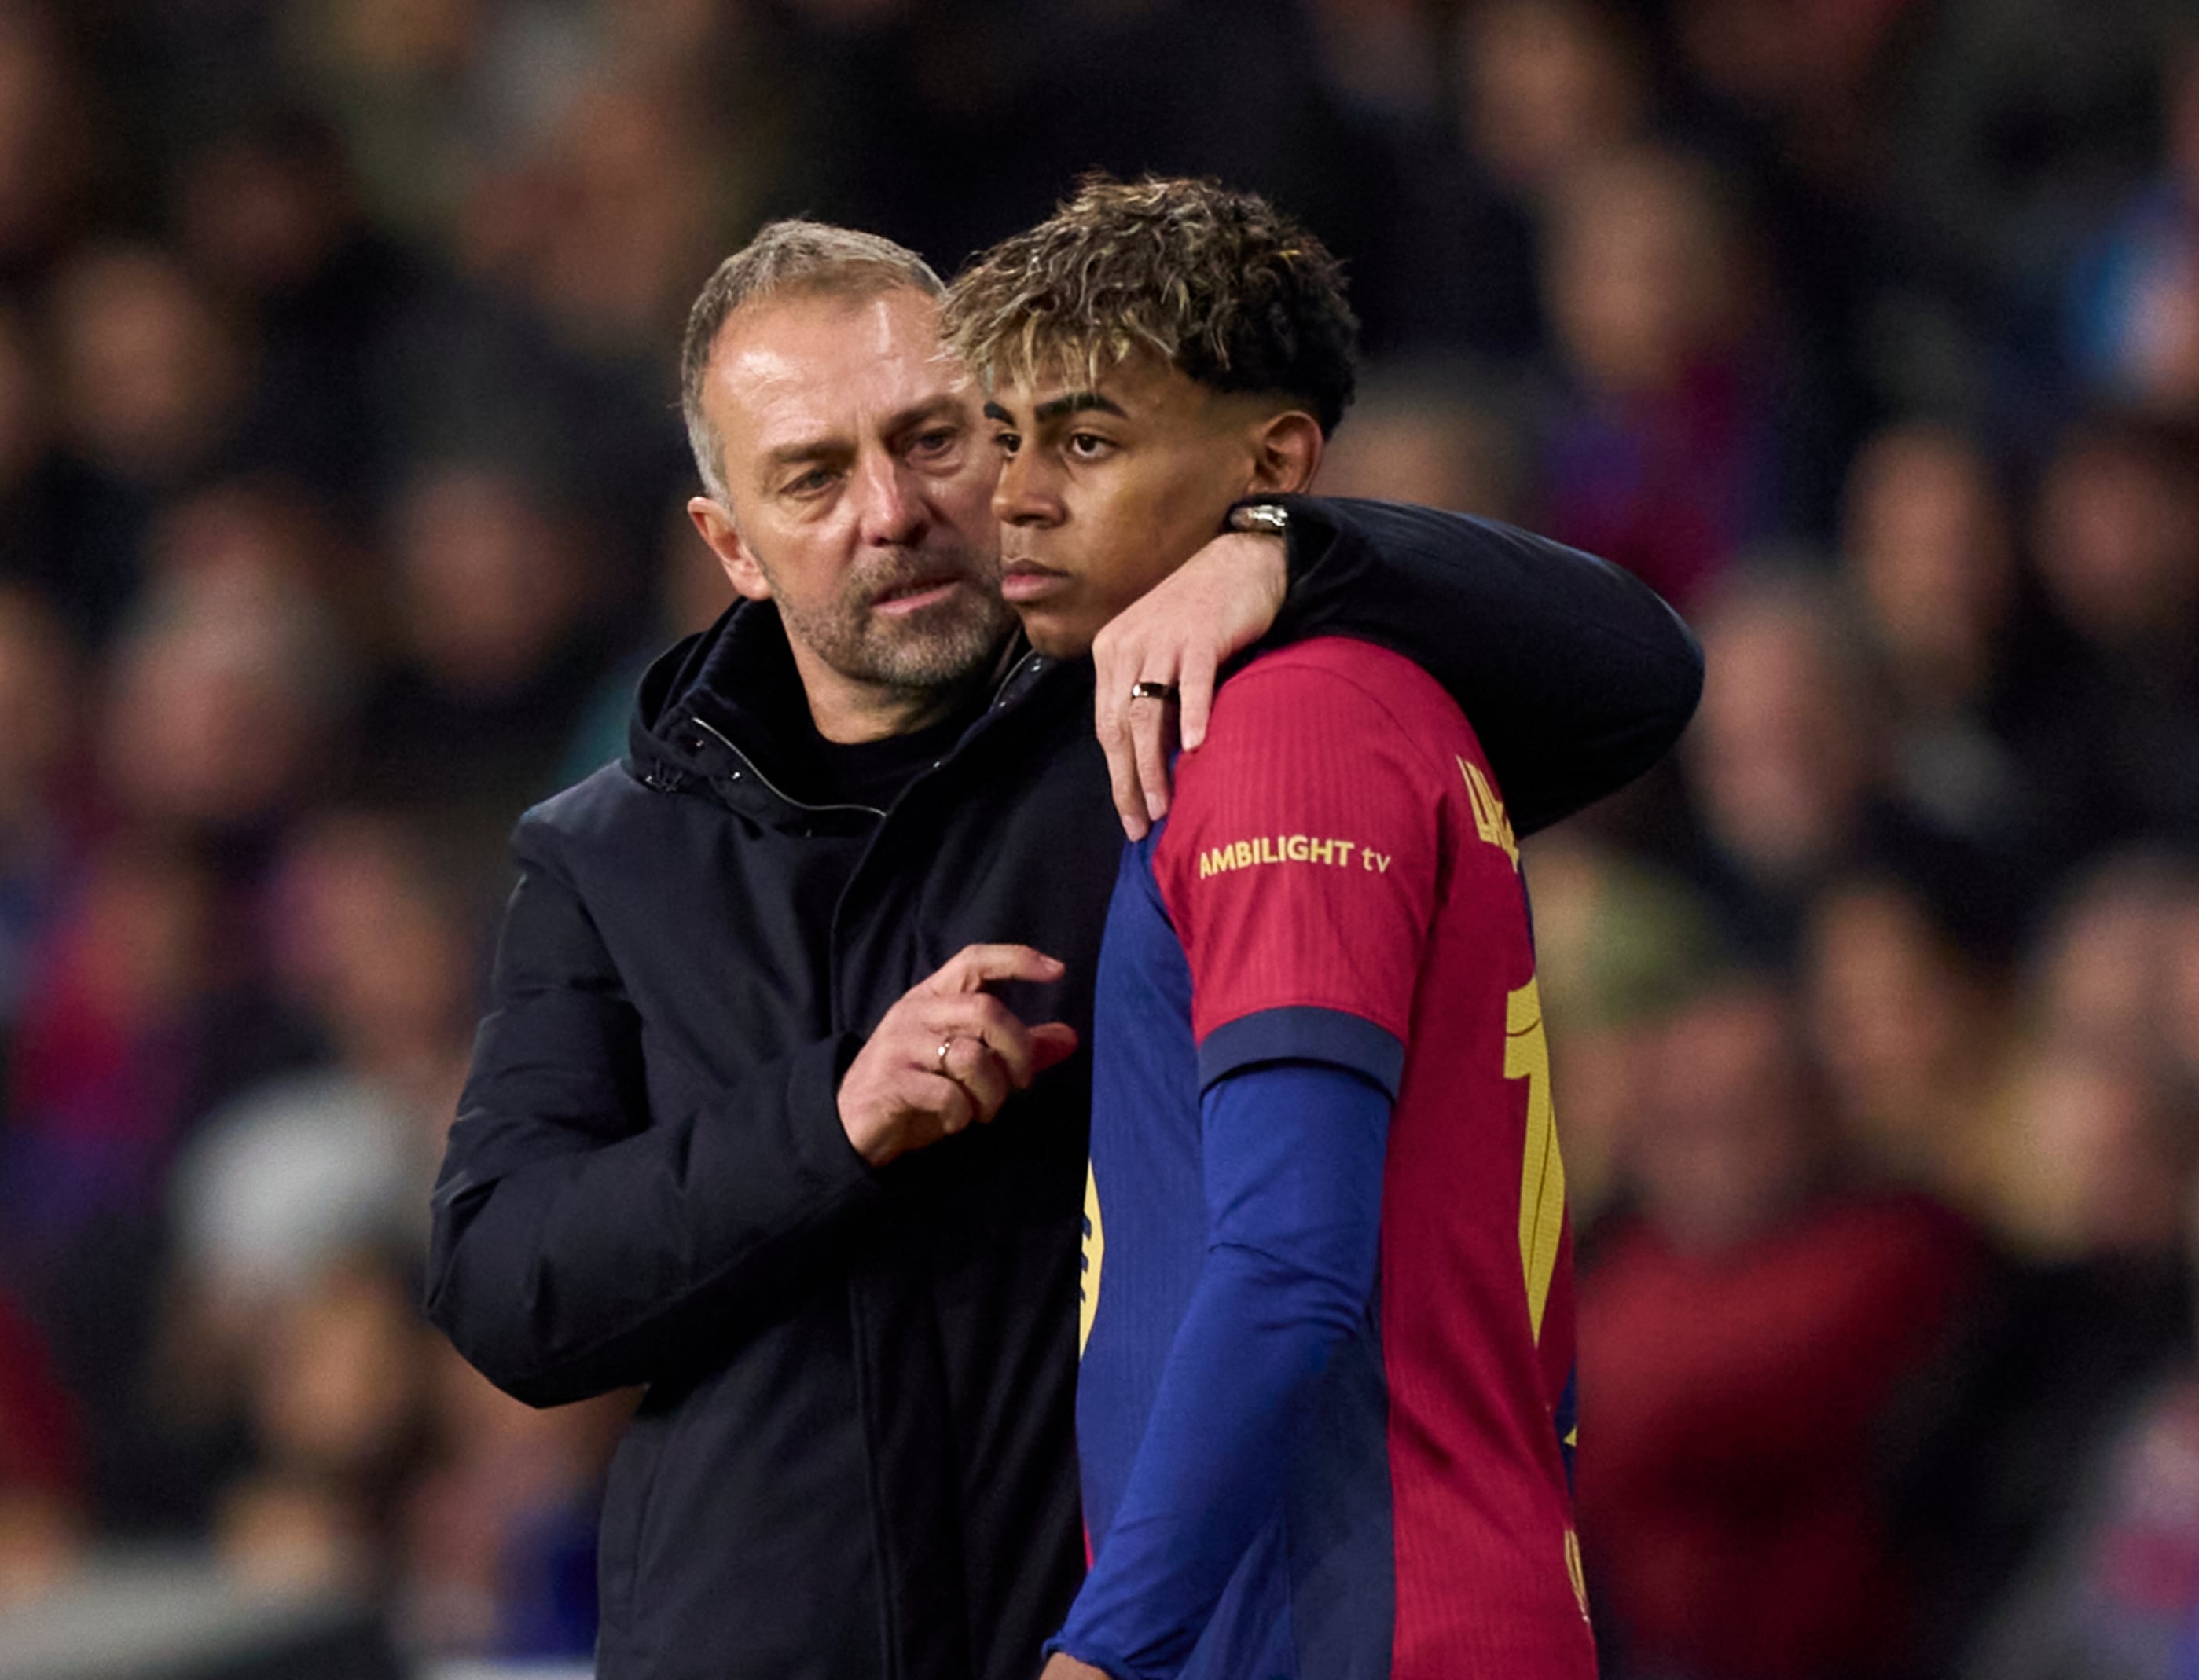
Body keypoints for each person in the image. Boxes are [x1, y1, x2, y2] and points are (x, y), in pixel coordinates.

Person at [425, 217, 1700, 1680]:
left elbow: (1632, 678)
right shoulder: (609, 853)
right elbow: (506, 1280)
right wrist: (829, 1120)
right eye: (814, 475)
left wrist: (1293, 552)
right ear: (734, 547)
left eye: (934, 438)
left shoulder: (1184, 715)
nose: (892, 509)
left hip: (1126, 1635)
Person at [942, 178, 1610, 1677]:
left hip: (1352, 1622)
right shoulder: (1322, 710)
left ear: (1276, 461)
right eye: (1006, 438)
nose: (1019, 492)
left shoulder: (1291, 733)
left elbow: (1293, 1255)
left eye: (1088, 439)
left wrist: (1106, 1650)